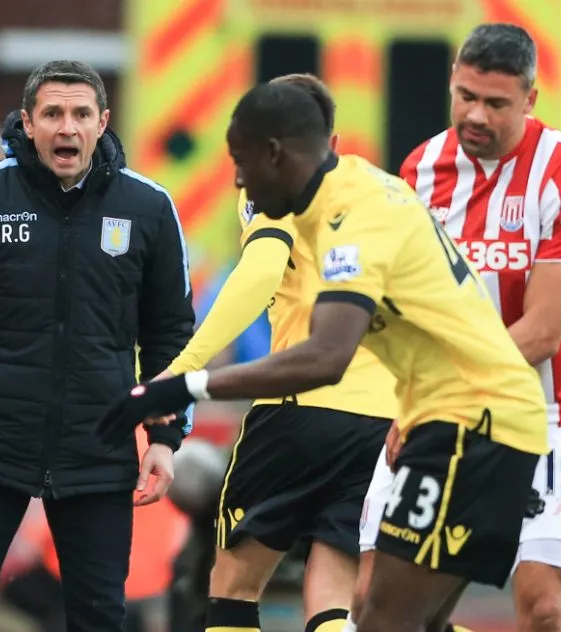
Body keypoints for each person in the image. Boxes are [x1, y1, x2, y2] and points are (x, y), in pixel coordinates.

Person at [97, 80, 549, 632]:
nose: (238, 181)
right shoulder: (366, 191)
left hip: (444, 420)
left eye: (241, 162)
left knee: (249, 587)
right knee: (366, 607)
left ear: (279, 151)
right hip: (410, 418)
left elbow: (318, 344)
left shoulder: (340, 212)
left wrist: (183, 377)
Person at [0, 59, 195, 631]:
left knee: (100, 618)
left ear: (103, 122)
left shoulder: (148, 207)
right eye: (52, 113)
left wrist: (165, 436)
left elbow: (171, 336)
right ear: (28, 123)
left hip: (99, 449)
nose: (67, 128)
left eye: (80, 114)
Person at [353, 23, 561, 632]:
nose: (475, 115)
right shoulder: (420, 170)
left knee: (543, 609)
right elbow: (409, 310)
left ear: (530, 99)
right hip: (441, 413)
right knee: (375, 605)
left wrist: (439, 393)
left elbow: (543, 332)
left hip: (542, 416)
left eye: (495, 103)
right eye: (465, 96)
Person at [157, 74, 396, 632]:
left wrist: (184, 367)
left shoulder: (279, 182)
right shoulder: (384, 190)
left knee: (233, 585)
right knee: (333, 589)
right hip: (380, 420)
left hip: (299, 408)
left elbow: (261, 270)